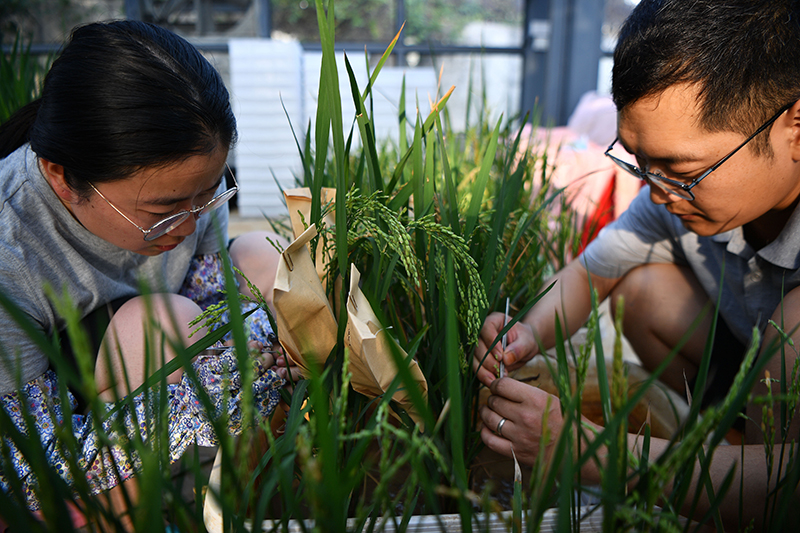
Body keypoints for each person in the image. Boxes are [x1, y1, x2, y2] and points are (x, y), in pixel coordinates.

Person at [475, 0, 800, 529]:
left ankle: (744, 483)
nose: (655, 188)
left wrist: (583, 448)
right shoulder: (671, 199)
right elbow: (590, 272)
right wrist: (524, 333)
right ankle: (729, 446)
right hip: (744, 370)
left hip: (783, 366)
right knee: (640, 288)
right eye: (638, 160)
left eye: (680, 168)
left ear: (793, 125)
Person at [0, 20, 295, 528]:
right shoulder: (10, 254)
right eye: (167, 209)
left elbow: (206, 294)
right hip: (63, 443)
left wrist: (267, 339)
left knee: (262, 255)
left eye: (211, 192)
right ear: (61, 176)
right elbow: (33, 463)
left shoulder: (190, 192)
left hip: (145, 378)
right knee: (159, 322)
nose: (195, 218)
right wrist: (230, 372)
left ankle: (250, 501)